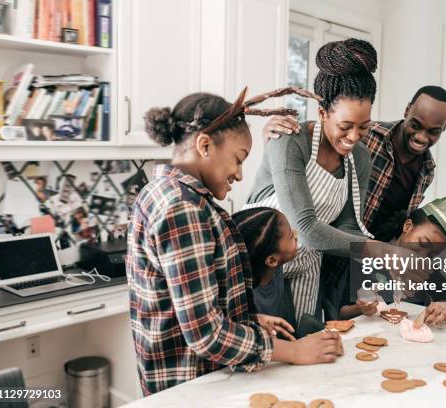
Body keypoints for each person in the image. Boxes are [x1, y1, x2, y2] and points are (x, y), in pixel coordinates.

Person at [126, 90, 343, 396]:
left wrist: (247, 320)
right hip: (191, 388)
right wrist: (293, 352)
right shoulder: (183, 209)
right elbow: (205, 335)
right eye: (238, 159)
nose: (240, 175)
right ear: (205, 145)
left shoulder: (162, 193)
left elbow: (190, 304)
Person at [263, 84, 446, 310]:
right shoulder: (365, 136)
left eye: (433, 131)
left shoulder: (427, 169)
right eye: (416, 125)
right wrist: (274, 133)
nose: (422, 137)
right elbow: (328, 126)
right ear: (406, 111)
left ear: (444, 128)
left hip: (371, 261)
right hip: (330, 249)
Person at [245, 38, 395, 323]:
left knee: (309, 337)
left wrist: (371, 276)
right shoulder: (289, 141)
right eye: (345, 126)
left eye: (364, 127)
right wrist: (380, 250)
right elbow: (306, 228)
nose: (354, 137)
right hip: (260, 264)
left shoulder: (360, 158)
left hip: (309, 264)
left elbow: (349, 225)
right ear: (323, 112)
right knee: (269, 351)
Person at [344, 182, 446, 325]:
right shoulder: (366, 257)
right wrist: (361, 308)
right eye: (423, 243)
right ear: (407, 226)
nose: (423, 255)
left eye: (432, 254)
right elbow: (340, 312)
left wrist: (444, 306)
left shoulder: (425, 269)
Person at [232, 207, 299, 339]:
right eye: (291, 236)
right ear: (272, 260)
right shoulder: (247, 299)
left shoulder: (275, 269)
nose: (296, 234)